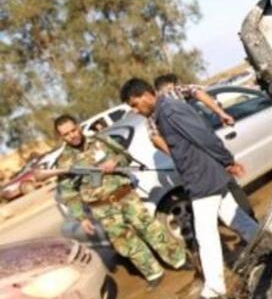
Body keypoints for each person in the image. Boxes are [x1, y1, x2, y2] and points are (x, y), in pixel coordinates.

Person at [120, 78, 260, 299]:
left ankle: (214, 291)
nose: (135, 111)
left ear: (146, 95)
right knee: (235, 218)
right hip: (200, 174)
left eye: (135, 104)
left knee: (205, 233)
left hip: (202, 175)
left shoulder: (170, 109)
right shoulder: (161, 114)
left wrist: (227, 160)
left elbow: (203, 135)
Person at [50, 114, 188, 288]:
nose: (72, 135)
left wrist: (115, 161)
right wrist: (81, 218)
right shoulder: (63, 163)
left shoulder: (101, 141)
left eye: (73, 130)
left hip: (125, 196)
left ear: (78, 126)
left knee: (151, 229)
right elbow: (69, 194)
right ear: (61, 137)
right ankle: (153, 272)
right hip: (102, 208)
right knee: (126, 241)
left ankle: (178, 260)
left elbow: (125, 156)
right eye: (66, 134)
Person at [150, 73, 254, 217]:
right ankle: (249, 218)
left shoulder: (152, 110)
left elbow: (154, 137)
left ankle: (245, 223)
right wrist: (220, 113)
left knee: (218, 200)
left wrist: (174, 153)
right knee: (229, 186)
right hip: (205, 150)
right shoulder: (174, 92)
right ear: (170, 84)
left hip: (191, 165)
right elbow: (197, 92)